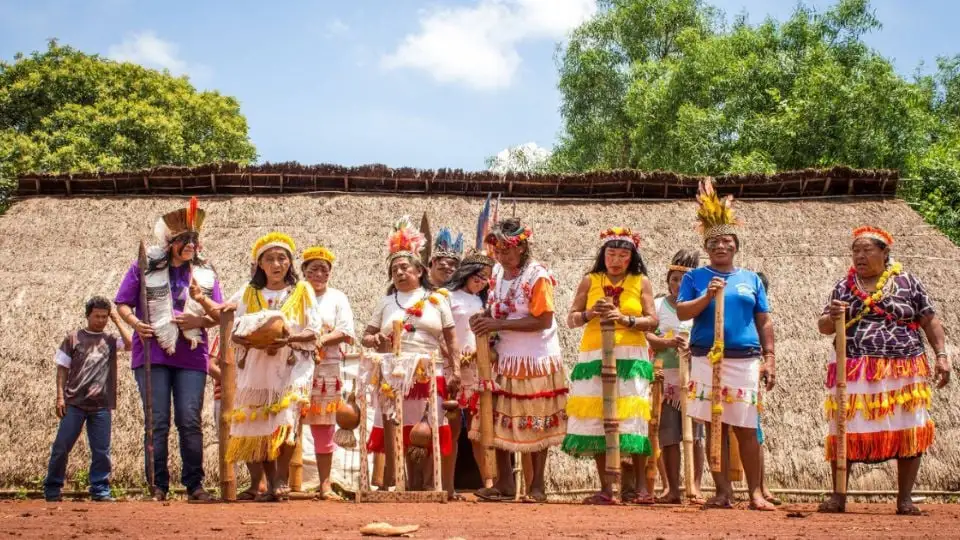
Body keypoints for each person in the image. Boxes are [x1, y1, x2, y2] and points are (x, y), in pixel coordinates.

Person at [817, 226, 951, 515]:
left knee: (908, 428)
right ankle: (839, 496)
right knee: (846, 426)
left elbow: (929, 320)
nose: (860, 256)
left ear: (885, 253)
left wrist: (941, 355)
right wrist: (833, 315)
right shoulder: (843, 286)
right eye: (855, 251)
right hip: (854, 367)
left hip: (904, 366)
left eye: (867, 250)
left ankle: (905, 499)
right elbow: (824, 326)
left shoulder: (908, 282)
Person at [676, 179, 776, 511]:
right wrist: (707, 295)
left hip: (744, 358)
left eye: (727, 240)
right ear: (707, 247)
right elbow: (682, 311)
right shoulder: (694, 278)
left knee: (746, 426)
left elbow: (764, 320)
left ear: (736, 246)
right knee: (713, 425)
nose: (721, 246)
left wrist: (770, 358)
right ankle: (722, 492)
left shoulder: (751, 279)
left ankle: (756, 493)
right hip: (707, 357)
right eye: (715, 241)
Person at [114, 197, 223, 502]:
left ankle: (195, 485)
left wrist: (196, 315)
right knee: (157, 419)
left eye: (194, 240)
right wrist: (136, 323)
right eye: (184, 240)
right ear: (171, 242)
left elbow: (219, 314)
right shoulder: (144, 267)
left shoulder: (205, 274)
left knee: (189, 419)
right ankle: (157, 486)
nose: (190, 245)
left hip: (192, 353)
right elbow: (122, 302)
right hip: (152, 353)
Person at [471, 218, 567, 503]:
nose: (501, 255)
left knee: (536, 422)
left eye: (507, 249)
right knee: (497, 419)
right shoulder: (498, 273)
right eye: (498, 250)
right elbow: (498, 310)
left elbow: (543, 319)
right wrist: (484, 318)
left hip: (534, 361)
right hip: (505, 359)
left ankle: (537, 486)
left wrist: (496, 326)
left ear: (522, 246)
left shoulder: (538, 276)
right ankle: (505, 484)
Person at [361, 216, 459, 491]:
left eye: (405, 267)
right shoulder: (385, 301)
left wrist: (456, 370)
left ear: (419, 271)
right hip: (394, 372)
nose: (400, 273)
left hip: (430, 369)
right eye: (394, 270)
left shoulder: (437, 299)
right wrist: (376, 337)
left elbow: (450, 337)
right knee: (396, 425)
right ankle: (401, 482)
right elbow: (365, 337)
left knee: (429, 425)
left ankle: (429, 483)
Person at [561, 227, 658, 505]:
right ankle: (607, 488)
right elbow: (571, 319)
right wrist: (592, 313)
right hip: (593, 357)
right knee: (598, 418)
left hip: (630, 357)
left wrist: (625, 319)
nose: (616, 260)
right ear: (603, 255)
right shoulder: (589, 280)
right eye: (611, 253)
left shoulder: (641, 281)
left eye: (623, 255)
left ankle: (641, 488)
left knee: (634, 418)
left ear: (632, 257)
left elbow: (652, 321)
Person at [223, 232, 317, 502]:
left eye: (282, 258)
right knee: (255, 421)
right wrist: (256, 340)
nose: (277, 264)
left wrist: (287, 339)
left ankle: (281, 480)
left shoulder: (302, 291)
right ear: (260, 264)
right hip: (256, 364)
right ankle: (259, 483)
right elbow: (234, 331)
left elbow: (314, 329)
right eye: (270, 259)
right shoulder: (248, 292)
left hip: (291, 363)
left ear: (290, 263)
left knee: (286, 420)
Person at [44, 297, 132, 502]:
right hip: (75, 402)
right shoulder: (73, 338)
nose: (101, 320)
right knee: (61, 447)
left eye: (104, 317)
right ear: (87, 316)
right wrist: (60, 397)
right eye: (96, 316)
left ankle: (100, 490)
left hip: (101, 405)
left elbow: (131, 344)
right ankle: (52, 488)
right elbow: (62, 369)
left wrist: (118, 320)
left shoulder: (110, 340)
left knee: (101, 451)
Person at [647, 249, 706, 505]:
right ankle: (671, 488)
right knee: (667, 434)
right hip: (664, 378)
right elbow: (645, 335)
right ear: (667, 280)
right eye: (674, 280)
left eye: (684, 281)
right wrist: (666, 341)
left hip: (694, 376)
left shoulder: (700, 306)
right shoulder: (658, 306)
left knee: (696, 435)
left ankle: (695, 486)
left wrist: (694, 347)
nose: (679, 285)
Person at [300, 245, 355, 501]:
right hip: (296, 367)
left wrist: (320, 340)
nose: (319, 274)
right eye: (313, 269)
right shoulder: (295, 295)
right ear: (303, 272)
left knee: (324, 427)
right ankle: (291, 483)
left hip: (327, 369)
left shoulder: (337, 297)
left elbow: (345, 331)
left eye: (324, 269)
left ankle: (325, 485)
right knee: (291, 426)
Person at [445, 249, 495, 497]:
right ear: (466, 273)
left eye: (486, 277)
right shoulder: (445, 296)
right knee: (451, 427)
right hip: (451, 366)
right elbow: (440, 331)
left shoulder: (487, 301)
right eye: (478, 275)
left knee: (480, 429)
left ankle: (489, 483)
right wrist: (453, 358)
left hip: (480, 367)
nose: (481, 280)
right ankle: (447, 485)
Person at [754, 271, 780, 506]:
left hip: (749, 375)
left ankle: (761, 486)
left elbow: (766, 345)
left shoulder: (761, 321)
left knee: (754, 432)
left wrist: (766, 361)